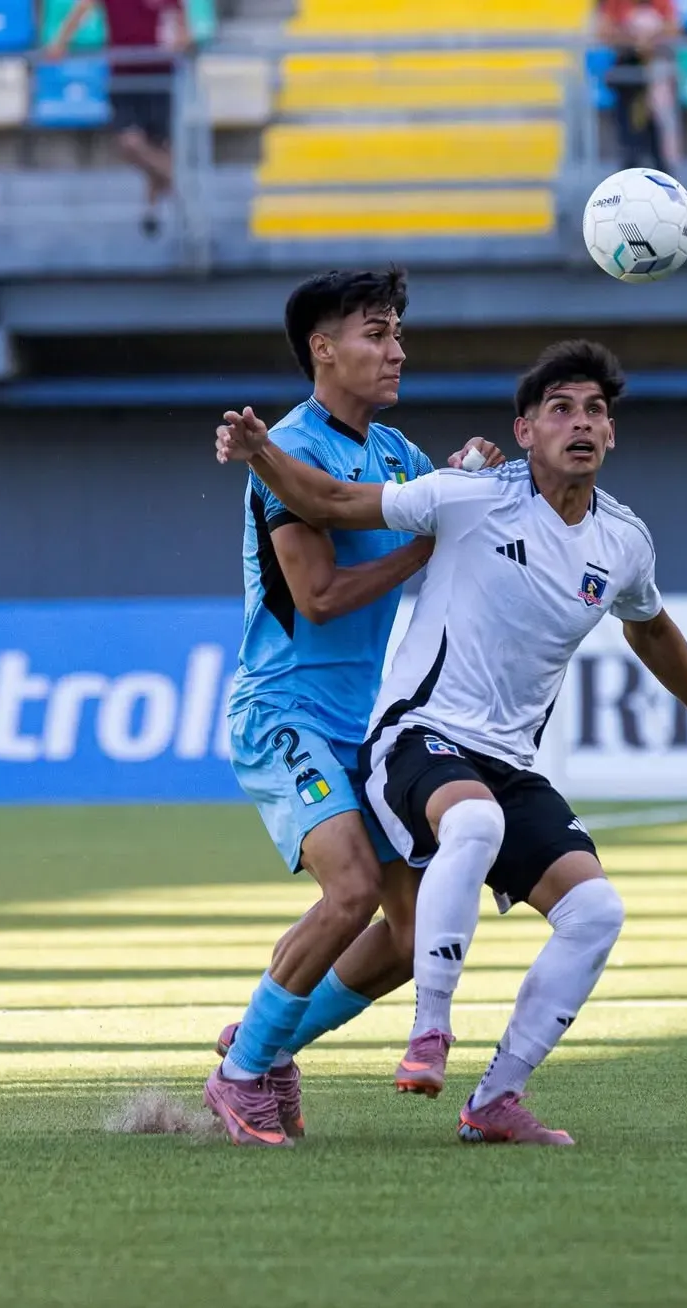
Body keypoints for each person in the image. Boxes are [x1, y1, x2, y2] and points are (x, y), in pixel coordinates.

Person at [215, 339, 687, 1146]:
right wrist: (261, 452)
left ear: (611, 436)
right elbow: (329, 500)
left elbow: (651, 627)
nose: (580, 422)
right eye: (560, 409)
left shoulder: (622, 541)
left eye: (595, 411)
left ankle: (494, 1097)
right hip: (416, 738)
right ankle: (423, 1032)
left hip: (505, 762)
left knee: (595, 911)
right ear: (525, 430)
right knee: (448, 839)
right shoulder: (467, 495)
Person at [204, 267, 502, 1147]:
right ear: (323, 349)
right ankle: (241, 1075)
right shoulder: (285, 459)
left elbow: (445, 511)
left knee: (412, 933)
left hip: (362, 723)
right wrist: (426, 541)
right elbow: (323, 597)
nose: (397, 349)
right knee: (351, 890)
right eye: (377, 333)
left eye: (400, 332)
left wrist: (471, 480)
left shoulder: (398, 453)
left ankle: (267, 1039)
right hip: (282, 709)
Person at [44, 0, 190, 236]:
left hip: (160, 79)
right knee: (131, 143)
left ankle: (152, 211)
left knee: (159, 145)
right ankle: (179, 184)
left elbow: (183, 34)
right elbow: (83, 8)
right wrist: (61, 42)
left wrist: (178, 43)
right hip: (125, 79)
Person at [596, 0, 680, 174]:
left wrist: (650, 39)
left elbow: (675, 29)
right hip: (629, 82)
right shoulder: (615, 3)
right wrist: (634, 38)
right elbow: (604, 31)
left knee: (660, 142)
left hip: (658, 81)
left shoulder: (661, 3)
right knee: (630, 142)